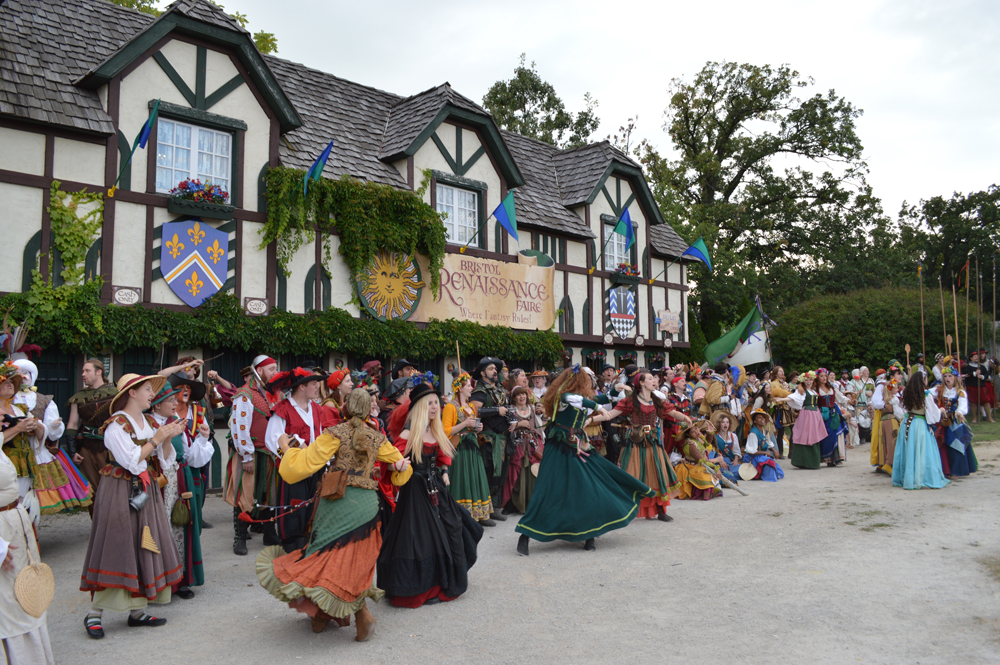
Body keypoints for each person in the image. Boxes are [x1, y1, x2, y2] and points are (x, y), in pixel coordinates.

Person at [256, 389, 411, 639]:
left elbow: (303, 465)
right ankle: (351, 614)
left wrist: (285, 447)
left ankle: (322, 615)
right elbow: (402, 468)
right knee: (357, 561)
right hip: (367, 505)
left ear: (346, 408)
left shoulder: (335, 433)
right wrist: (400, 468)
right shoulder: (378, 437)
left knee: (323, 555)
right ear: (368, 408)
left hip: (337, 500)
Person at [80, 374, 185, 639]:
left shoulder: (149, 421)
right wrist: (157, 437)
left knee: (145, 543)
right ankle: (94, 613)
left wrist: (169, 436)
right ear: (131, 393)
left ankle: (137, 611)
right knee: (116, 545)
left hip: (145, 489)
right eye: (148, 389)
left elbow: (163, 458)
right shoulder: (116, 426)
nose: (152, 394)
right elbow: (131, 461)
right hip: (119, 490)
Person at [515, 366, 655, 555]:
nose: (590, 382)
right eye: (587, 379)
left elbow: (606, 398)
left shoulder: (584, 398)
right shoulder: (564, 397)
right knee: (547, 491)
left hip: (580, 448)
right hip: (559, 450)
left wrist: (618, 388)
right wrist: (597, 408)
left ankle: (589, 535)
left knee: (589, 488)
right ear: (577, 381)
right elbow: (577, 400)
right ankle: (525, 535)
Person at [377, 384, 483, 606]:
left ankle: (444, 581)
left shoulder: (435, 430)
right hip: (415, 492)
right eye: (430, 403)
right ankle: (421, 587)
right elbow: (388, 462)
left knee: (454, 525)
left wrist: (445, 472)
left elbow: (444, 454)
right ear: (419, 408)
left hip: (437, 487)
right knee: (422, 537)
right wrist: (398, 466)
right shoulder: (408, 434)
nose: (435, 407)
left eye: (436, 402)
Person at [147, 378, 211, 599]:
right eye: (170, 400)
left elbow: (190, 457)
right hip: (157, 483)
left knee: (181, 526)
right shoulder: (147, 425)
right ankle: (159, 580)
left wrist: (203, 439)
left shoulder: (175, 422)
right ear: (156, 405)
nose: (175, 404)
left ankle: (181, 580)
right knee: (158, 529)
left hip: (180, 479)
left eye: (175, 400)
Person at [597, 370, 683, 522]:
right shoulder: (631, 401)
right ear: (642, 383)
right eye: (650, 378)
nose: (654, 380)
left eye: (653, 378)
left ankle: (660, 510)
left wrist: (686, 419)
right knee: (633, 475)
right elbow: (610, 415)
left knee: (656, 474)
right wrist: (591, 420)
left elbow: (672, 412)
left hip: (653, 442)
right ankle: (626, 510)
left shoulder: (657, 400)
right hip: (635, 443)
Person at [0, 429, 55, 663]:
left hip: (14, 525)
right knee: (10, 603)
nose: (4, 412)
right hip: (3, 534)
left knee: (25, 597)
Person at [12, 359, 91, 517]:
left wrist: (53, 428)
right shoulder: (7, 399)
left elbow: (54, 434)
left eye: (26, 373)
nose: (23, 376)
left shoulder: (44, 401)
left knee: (34, 497)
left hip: (38, 450)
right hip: (11, 450)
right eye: (18, 373)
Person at [265, 368, 326, 553]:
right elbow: (272, 439)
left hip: (314, 469)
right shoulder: (283, 409)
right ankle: (290, 551)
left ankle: (305, 549)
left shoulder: (316, 408)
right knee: (293, 513)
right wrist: (294, 454)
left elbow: (320, 436)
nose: (318, 386)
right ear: (301, 387)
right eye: (313, 383)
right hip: (293, 472)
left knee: (309, 510)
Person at [224, 355, 280, 556]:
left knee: (268, 494)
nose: (275, 373)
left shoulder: (271, 394)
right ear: (260, 370)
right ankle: (240, 537)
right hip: (250, 453)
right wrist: (247, 456)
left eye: (275, 369)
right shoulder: (244, 394)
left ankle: (268, 532)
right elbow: (240, 427)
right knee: (245, 495)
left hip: (269, 453)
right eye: (271, 369)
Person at [441, 372, 491, 526]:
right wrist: (465, 424)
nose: (471, 388)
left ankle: (476, 514)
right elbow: (445, 431)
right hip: (459, 448)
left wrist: (477, 428)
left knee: (474, 479)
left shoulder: (470, 406)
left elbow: (473, 427)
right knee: (462, 480)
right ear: (460, 389)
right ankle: (459, 514)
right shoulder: (451, 406)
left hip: (472, 447)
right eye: (469, 385)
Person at [64, 358, 117, 498]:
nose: (83, 374)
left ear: (98, 372)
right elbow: (73, 424)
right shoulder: (79, 397)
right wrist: (72, 451)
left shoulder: (116, 393)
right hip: (86, 450)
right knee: (91, 492)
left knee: (111, 491)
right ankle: (95, 520)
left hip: (110, 449)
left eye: (87, 371)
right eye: (82, 371)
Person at [0, 363, 45, 522]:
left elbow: (40, 435)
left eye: (12, 382)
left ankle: (27, 543)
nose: (10, 384)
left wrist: (36, 425)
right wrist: (18, 428)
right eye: (5, 382)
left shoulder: (21, 409)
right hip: (4, 467)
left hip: (25, 464)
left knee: (26, 507)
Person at [469, 357, 510, 522]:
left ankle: (494, 507)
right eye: (491, 368)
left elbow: (506, 409)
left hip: (503, 437)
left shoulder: (500, 389)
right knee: (488, 473)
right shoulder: (479, 391)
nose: (495, 371)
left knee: (501, 473)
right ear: (482, 372)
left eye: (496, 369)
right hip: (487, 439)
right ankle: (484, 511)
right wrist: (495, 410)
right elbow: (474, 412)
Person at [892, 372, 949, 490]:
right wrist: (941, 410)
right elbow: (933, 415)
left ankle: (906, 478)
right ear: (923, 380)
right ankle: (922, 479)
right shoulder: (925, 395)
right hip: (919, 425)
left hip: (907, 423)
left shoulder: (906, 393)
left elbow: (903, 409)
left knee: (909, 450)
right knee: (922, 451)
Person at [502, 385, 545, 515]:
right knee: (516, 474)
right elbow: (508, 429)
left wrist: (545, 414)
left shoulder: (532, 409)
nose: (522, 397)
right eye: (518, 395)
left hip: (532, 445)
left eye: (524, 394)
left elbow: (540, 426)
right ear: (514, 398)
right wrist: (518, 425)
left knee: (534, 473)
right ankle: (514, 504)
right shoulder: (511, 411)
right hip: (518, 445)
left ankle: (533, 504)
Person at [934, 366, 976, 477]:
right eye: (945, 376)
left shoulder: (960, 392)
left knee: (956, 444)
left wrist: (959, 412)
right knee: (942, 445)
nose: (948, 378)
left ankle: (956, 471)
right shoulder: (939, 389)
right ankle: (945, 470)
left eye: (950, 376)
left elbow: (962, 405)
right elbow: (927, 394)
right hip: (942, 421)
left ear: (955, 377)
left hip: (955, 421)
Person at [672, 421, 723, 500]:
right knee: (705, 474)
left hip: (700, 464)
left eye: (696, 428)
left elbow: (706, 444)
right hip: (691, 466)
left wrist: (710, 432)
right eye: (693, 431)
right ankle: (705, 493)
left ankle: (713, 490)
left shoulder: (699, 438)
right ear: (688, 435)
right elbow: (701, 459)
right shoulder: (690, 444)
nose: (696, 432)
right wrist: (715, 468)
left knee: (709, 473)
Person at [788, 372, 827, 469]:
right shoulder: (803, 391)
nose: (808, 382)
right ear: (803, 381)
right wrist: (781, 399)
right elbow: (793, 398)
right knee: (805, 434)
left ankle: (813, 461)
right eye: (806, 380)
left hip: (815, 413)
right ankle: (803, 461)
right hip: (806, 414)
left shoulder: (813, 391)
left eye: (810, 380)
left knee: (814, 434)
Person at [871, 364, 906, 475]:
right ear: (891, 376)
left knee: (892, 440)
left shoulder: (898, 388)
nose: (900, 376)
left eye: (901, 373)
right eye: (898, 374)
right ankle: (885, 464)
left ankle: (890, 464)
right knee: (888, 440)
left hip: (896, 417)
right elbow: (876, 401)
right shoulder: (882, 386)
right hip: (886, 416)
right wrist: (886, 405)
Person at [743, 409, 784, 481]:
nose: (762, 419)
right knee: (770, 462)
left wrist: (774, 451)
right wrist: (765, 452)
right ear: (755, 421)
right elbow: (751, 451)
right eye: (759, 417)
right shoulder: (753, 433)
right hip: (753, 458)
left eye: (763, 417)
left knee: (780, 472)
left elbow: (768, 444)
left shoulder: (765, 431)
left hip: (761, 457)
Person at [814, 369, 844, 467]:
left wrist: (850, 401)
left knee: (834, 433)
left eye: (825, 376)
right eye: (822, 376)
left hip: (833, 413)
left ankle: (835, 458)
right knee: (825, 435)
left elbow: (840, 397)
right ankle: (827, 458)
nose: (824, 378)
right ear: (818, 377)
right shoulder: (816, 389)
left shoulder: (832, 387)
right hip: (823, 414)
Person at [710, 410, 741, 484]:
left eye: (727, 422)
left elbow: (737, 451)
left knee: (741, 470)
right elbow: (713, 451)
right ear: (719, 424)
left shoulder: (733, 436)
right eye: (723, 422)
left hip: (730, 462)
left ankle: (729, 474)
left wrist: (736, 460)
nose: (725, 424)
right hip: (718, 461)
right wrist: (720, 461)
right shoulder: (714, 436)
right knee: (720, 471)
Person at [769, 367, 794, 459]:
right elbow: (773, 396)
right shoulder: (773, 383)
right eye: (780, 371)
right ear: (775, 373)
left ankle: (791, 451)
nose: (782, 372)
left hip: (788, 408)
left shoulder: (786, 383)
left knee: (793, 429)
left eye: (783, 371)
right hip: (779, 408)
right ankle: (780, 451)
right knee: (780, 431)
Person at [964, 350, 994, 423]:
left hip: (980, 386)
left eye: (977, 356)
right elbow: (965, 374)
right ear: (971, 358)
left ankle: (989, 418)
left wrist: (982, 376)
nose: (977, 358)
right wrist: (974, 373)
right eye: (975, 357)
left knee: (985, 402)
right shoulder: (967, 366)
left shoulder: (982, 367)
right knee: (972, 403)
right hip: (971, 386)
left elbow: (987, 374)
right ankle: (974, 418)